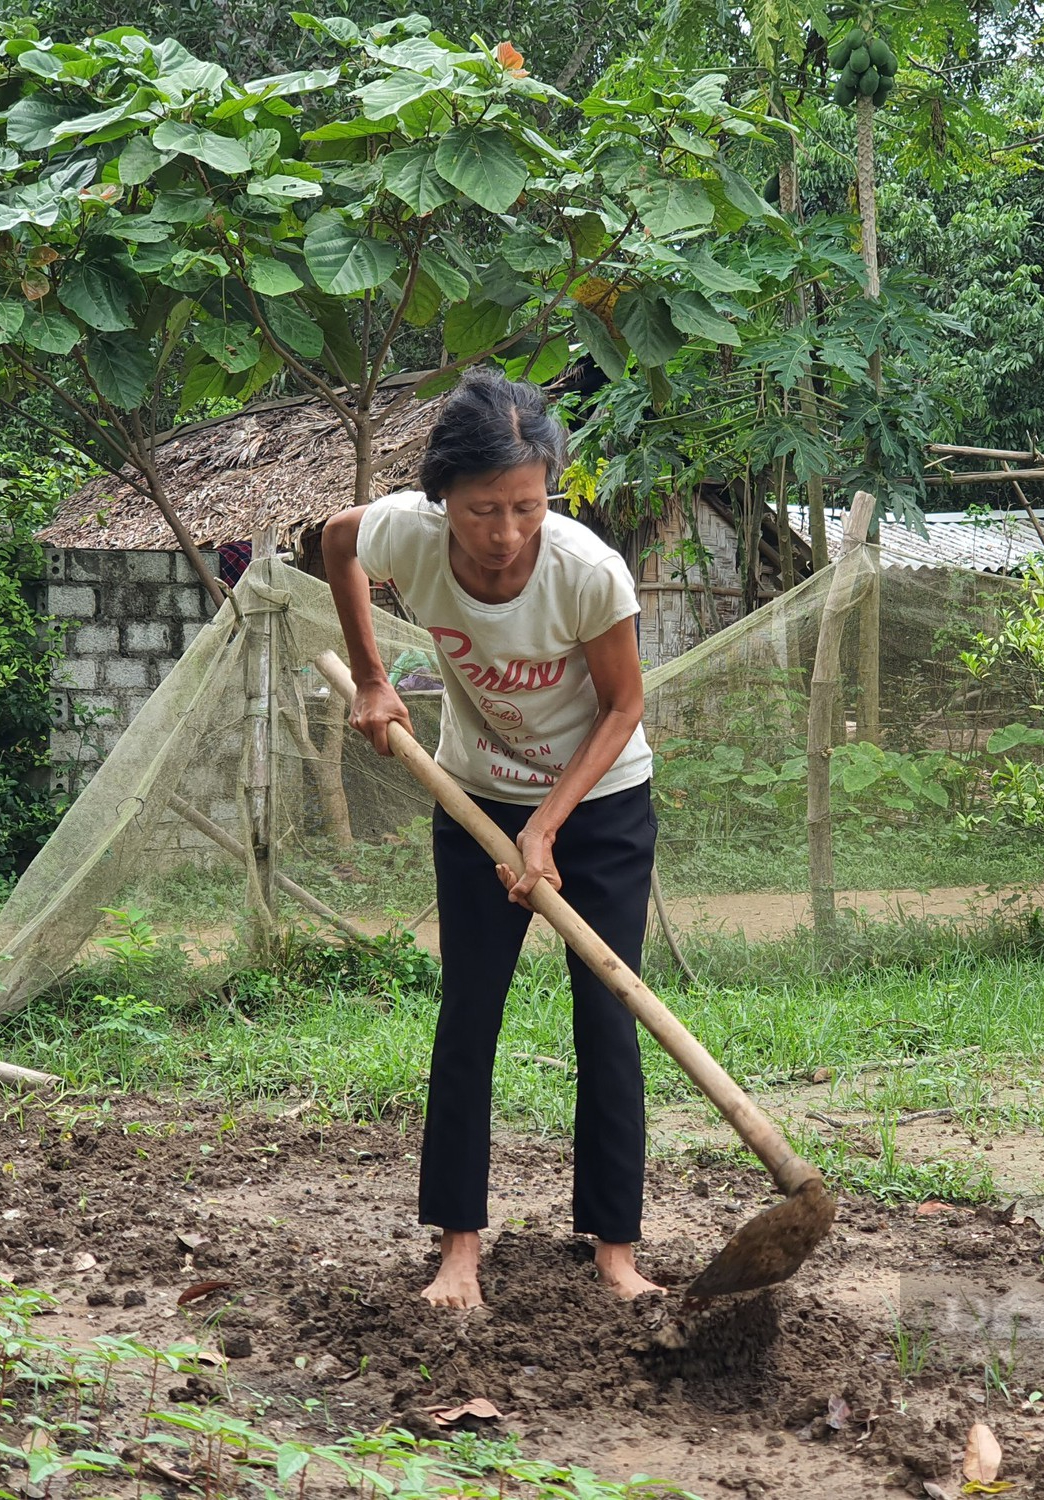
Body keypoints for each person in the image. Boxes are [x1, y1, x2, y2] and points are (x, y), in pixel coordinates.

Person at [321, 369, 662, 1310]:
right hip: (475, 794)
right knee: (470, 1012)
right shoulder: (409, 535)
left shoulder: (586, 573)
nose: (507, 534)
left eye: (527, 506)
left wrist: (548, 825)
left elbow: (625, 704)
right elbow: (336, 541)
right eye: (482, 511)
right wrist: (371, 676)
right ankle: (460, 1249)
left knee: (608, 1013)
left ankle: (615, 1250)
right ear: (442, 500)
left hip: (600, 803)